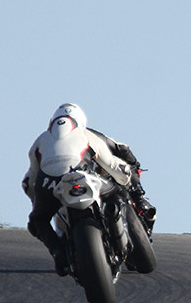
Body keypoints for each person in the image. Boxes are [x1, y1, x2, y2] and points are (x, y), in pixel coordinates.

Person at [22, 103, 156, 274]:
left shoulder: (39, 142)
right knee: (118, 192)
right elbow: (113, 164)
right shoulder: (87, 134)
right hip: (82, 177)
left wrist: (37, 203)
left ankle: (57, 252)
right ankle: (114, 220)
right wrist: (129, 183)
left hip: (48, 184)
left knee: (37, 221)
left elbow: (29, 181)